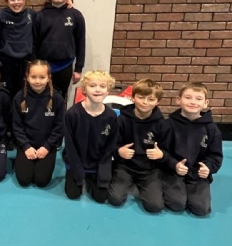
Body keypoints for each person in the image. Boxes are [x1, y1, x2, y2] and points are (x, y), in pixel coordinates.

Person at [108, 79, 170, 213]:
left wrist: (161, 154)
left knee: (155, 206)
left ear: (157, 102)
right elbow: (110, 144)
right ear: (133, 98)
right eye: (141, 97)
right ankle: (129, 183)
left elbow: (168, 151)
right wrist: (119, 151)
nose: (145, 102)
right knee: (115, 199)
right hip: (125, 166)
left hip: (150, 170)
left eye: (151, 99)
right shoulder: (121, 120)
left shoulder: (162, 124)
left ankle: (145, 185)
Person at [162, 82, 223, 216]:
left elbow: (215, 155)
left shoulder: (212, 129)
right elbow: (162, 152)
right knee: (176, 204)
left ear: (206, 103)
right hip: (173, 172)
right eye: (188, 97)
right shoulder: (168, 125)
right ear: (178, 100)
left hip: (197, 174)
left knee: (201, 209)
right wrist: (174, 164)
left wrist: (208, 167)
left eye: (198, 99)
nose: (193, 102)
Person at [63, 70, 118, 203]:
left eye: (102, 86)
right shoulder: (72, 114)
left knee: (101, 197)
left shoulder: (111, 116)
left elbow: (109, 147)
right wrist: (77, 170)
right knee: (73, 194)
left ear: (108, 90)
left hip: (97, 164)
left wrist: (103, 171)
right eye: (92, 86)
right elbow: (70, 146)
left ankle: (92, 176)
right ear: (84, 89)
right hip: (76, 161)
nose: (98, 90)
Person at [12, 60, 64, 188]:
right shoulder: (19, 97)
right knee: (24, 180)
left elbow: (59, 127)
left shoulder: (57, 98)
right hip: (26, 144)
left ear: (49, 78)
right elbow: (17, 126)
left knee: (41, 181)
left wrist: (47, 147)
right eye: (33, 77)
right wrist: (26, 146)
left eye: (42, 77)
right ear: (27, 77)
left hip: (46, 145)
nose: (37, 81)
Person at [33, 0, 85, 101]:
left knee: (60, 98)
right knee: (41, 98)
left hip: (65, 66)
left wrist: (78, 69)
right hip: (44, 66)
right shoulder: (40, 16)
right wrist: (34, 65)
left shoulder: (76, 15)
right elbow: (34, 43)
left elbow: (81, 43)